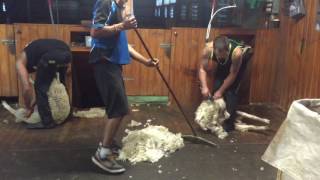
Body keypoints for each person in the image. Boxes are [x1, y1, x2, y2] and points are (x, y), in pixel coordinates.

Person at [90, 0, 159, 174]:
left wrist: (146, 62)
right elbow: (95, 31)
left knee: (118, 107)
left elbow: (124, 44)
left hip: (112, 63)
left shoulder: (119, 8)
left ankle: (109, 143)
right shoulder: (106, 2)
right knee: (119, 109)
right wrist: (122, 25)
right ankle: (103, 154)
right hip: (104, 62)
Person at [198, 35, 253, 132]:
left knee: (231, 91)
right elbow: (202, 69)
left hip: (241, 58)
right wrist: (204, 87)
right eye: (219, 55)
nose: (220, 57)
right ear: (214, 50)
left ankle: (229, 124)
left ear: (227, 51)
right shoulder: (208, 49)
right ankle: (215, 119)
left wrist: (221, 91)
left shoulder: (237, 53)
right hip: (226, 59)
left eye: (223, 55)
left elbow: (233, 74)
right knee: (216, 87)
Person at [16, 39, 72, 129]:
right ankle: (67, 115)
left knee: (40, 87)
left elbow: (27, 88)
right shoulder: (35, 51)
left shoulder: (19, 63)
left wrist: (28, 107)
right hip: (67, 54)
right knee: (61, 85)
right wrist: (35, 102)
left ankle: (47, 122)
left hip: (51, 57)